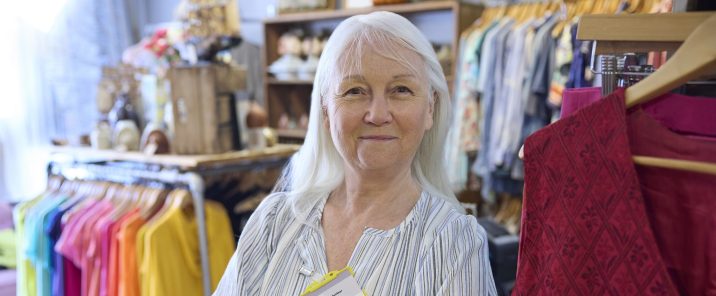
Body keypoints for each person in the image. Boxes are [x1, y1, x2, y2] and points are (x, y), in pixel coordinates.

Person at [213, 11, 496, 295]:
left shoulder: (455, 242)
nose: (377, 114)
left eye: (401, 89)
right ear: (325, 110)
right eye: (354, 91)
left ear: (430, 109)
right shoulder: (272, 223)